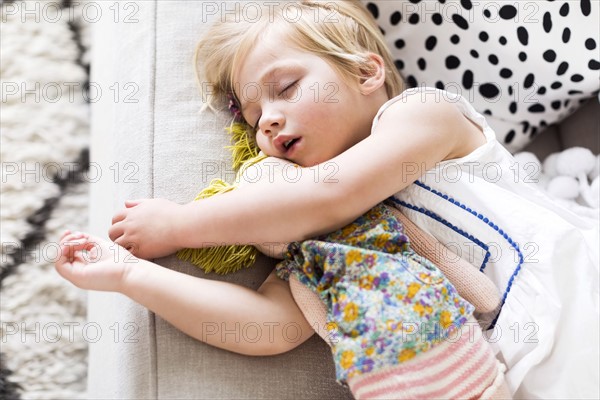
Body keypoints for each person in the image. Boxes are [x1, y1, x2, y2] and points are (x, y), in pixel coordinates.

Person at [56, 1, 599, 398]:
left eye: (287, 88)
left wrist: (182, 225)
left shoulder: (424, 116)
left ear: (367, 72)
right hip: (523, 372)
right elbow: (268, 325)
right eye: (252, 116)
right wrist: (130, 277)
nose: (267, 119)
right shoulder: (333, 241)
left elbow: (335, 191)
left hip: (577, 294)